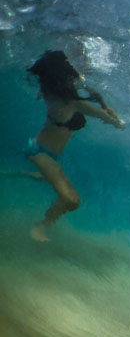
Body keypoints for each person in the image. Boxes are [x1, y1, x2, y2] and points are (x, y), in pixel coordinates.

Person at [25, 50, 124, 242]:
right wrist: (101, 100)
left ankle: (18, 174)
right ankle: (39, 228)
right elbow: (116, 123)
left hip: (42, 150)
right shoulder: (74, 104)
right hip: (42, 154)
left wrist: (87, 87)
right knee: (72, 200)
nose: (76, 80)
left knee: (47, 179)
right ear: (65, 79)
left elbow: (78, 80)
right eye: (72, 78)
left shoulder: (50, 93)